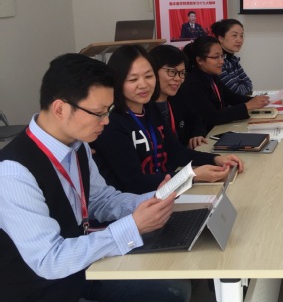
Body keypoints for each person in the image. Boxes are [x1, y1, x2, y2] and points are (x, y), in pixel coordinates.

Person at [0, 53, 191, 302]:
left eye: (108, 111)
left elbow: (100, 200)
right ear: (60, 109)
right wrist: (133, 226)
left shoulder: (77, 144)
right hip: (42, 289)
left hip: (80, 269)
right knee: (170, 292)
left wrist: (155, 199)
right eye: (99, 113)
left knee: (174, 285)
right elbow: (49, 260)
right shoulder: (13, 173)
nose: (106, 121)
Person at [91, 45, 243, 194]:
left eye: (148, 76)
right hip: (138, 203)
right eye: (133, 79)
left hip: (166, 192)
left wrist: (215, 159)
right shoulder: (110, 123)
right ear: (117, 81)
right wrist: (192, 175)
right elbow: (134, 183)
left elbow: (175, 152)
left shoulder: (150, 109)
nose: (143, 85)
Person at [175, 36, 269, 133]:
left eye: (222, 56)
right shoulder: (192, 83)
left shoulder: (212, 76)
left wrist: (257, 100)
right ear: (200, 60)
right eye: (216, 57)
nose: (222, 61)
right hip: (204, 134)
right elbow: (213, 116)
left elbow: (232, 97)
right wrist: (247, 106)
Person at [149, 44, 209, 149]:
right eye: (172, 72)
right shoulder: (142, 108)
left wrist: (197, 134)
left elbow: (196, 118)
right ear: (152, 71)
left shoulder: (178, 96)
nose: (178, 79)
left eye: (182, 73)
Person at [211, 18, 253, 95]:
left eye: (241, 36)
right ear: (221, 38)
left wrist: (241, 87)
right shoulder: (218, 62)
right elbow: (235, 91)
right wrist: (241, 86)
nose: (239, 40)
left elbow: (249, 84)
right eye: (234, 35)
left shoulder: (233, 59)